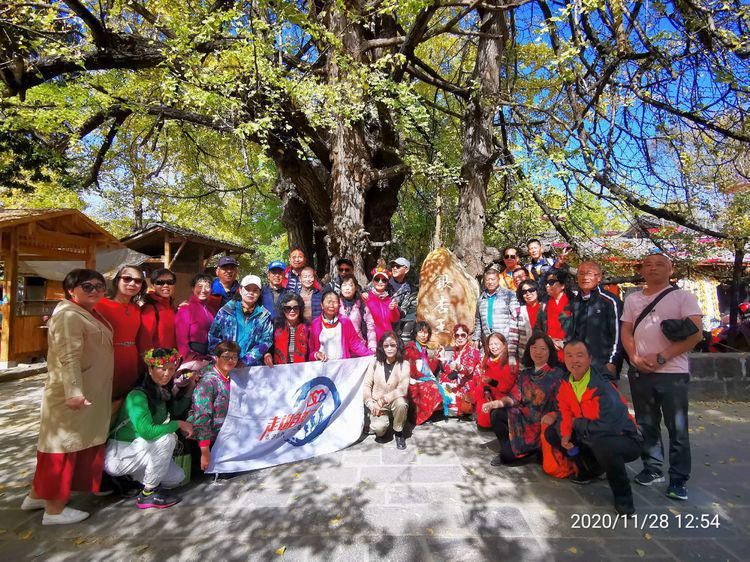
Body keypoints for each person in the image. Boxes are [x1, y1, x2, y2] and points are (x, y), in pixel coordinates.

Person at [22, 269, 113, 525]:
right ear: (71, 290)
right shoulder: (68, 315)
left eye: (99, 285)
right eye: (87, 286)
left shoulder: (86, 312)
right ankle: (54, 510)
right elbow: (68, 356)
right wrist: (74, 391)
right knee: (62, 448)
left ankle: (38, 495)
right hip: (72, 395)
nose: (94, 290)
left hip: (88, 392)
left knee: (65, 445)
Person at [621, 253, 703, 501]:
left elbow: (696, 334)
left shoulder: (682, 297)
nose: (653, 268)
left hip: (672, 373)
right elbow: (626, 330)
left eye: (659, 264)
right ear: (641, 271)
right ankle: (653, 468)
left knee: (676, 427)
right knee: (646, 423)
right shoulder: (633, 299)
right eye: (647, 265)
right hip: (641, 371)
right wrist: (634, 357)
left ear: (670, 269)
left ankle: (678, 479)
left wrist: (663, 357)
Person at [545, 340, 642, 515]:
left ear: (590, 359)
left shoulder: (603, 387)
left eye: (580, 355)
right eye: (569, 355)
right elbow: (564, 412)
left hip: (623, 437)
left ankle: (624, 499)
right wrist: (566, 434)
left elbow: (609, 426)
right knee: (553, 432)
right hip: (590, 432)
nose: (574, 360)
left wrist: (577, 424)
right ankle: (588, 470)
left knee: (604, 445)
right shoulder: (566, 382)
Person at [105, 348, 192, 509]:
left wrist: (191, 386)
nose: (167, 374)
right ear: (150, 369)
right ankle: (147, 494)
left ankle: (132, 480)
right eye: (162, 369)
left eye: (171, 369)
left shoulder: (160, 391)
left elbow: (175, 411)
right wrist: (178, 424)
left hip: (138, 450)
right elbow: (147, 431)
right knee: (167, 439)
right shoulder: (137, 395)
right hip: (120, 454)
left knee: (177, 478)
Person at [488, 332, 564, 466]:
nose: (538, 352)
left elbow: (562, 406)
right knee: (496, 414)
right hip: (523, 420)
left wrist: (554, 417)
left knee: (506, 457)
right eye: (534, 347)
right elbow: (514, 397)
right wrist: (497, 403)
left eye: (543, 348)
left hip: (542, 424)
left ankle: (530, 452)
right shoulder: (525, 374)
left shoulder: (557, 375)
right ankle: (510, 448)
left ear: (549, 351)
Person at [95, 265, 147, 402]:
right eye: (127, 278)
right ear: (117, 281)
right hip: (108, 359)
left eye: (137, 281)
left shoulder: (136, 308)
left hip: (131, 359)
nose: (132, 283)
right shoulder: (100, 305)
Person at [188, 341, 240, 471]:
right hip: (205, 439)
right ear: (217, 358)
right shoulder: (208, 381)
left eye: (234, 357)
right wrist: (205, 451)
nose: (230, 360)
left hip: (224, 435)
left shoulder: (232, 377)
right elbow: (202, 416)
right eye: (226, 357)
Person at [570, 261, 623, 381]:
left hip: (603, 366)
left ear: (598, 277)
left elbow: (618, 335)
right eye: (581, 274)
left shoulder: (609, 301)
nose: (584, 277)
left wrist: (612, 362)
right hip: (578, 366)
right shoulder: (574, 302)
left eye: (589, 274)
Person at [208, 274, 273, 367]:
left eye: (255, 290)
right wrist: (225, 356)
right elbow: (213, 335)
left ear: (259, 293)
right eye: (247, 289)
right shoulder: (226, 311)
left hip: (251, 368)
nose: (251, 293)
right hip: (224, 365)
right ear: (240, 290)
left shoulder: (264, 315)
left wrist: (246, 360)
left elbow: (266, 341)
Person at [363, 332, 410, 450]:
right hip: (377, 404)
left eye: (392, 345)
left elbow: (403, 389)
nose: (389, 348)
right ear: (382, 347)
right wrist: (371, 403)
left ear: (398, 346)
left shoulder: (404, 364)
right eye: (386, 346)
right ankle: (383, 422)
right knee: (379, 430)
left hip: (393, 401)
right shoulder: (374, 362)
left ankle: (398, 431)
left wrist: (384, 400)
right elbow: (367, 385)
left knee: (402, 403)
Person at [472, 265, 520, 369]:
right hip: (489, 341)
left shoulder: (509, 295)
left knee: (506, 369)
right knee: (491, 370)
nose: (490, 282)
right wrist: (476, 338)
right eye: (487, 280)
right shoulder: (481, 299)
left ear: (498, 280)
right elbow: (478, 321)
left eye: (493, 279)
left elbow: (516, 316)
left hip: (505, 339)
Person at [309, 289, 373, 361]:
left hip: (342, 366)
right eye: (328, 302)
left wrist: (371, 355)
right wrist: (316, 355)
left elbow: (355, 344)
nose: (331, 305)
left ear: (339, 305)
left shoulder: (345, 321)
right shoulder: (315, 324)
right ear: (322, 305)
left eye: (334, 302)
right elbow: (311, 351)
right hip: (323, 367)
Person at [404, 321, 445, 424]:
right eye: (420, 332)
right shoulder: (410, 348)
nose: (423, 335)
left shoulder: (423, 348)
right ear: (415, 333)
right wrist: (427, 379)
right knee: (432, 387)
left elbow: (427, 370)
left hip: (420, 379)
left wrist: (436, 358)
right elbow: (413, 371)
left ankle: (429, 414)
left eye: (426, 332)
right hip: (411, 381)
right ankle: (419, 417)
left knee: (439, 386)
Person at [474, 333, 516, 429]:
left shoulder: (510, 361)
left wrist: (492, 382)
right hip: (492, 392)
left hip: (505, 395)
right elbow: (484, 380)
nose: (493, 347)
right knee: (480, 392)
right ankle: (485, 423)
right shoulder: (488, 359)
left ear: (504, 344)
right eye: (491, 344)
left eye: (496, 344)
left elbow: (507, 386)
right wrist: (487, 391)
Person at [440, 323, 481, 417]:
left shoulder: (473, 351)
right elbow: (450, 371)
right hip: (457, 381)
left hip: (469, 383)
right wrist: (443, 358)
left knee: (446, 389)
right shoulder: (456, 351)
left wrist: (460, 367)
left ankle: (458, 407)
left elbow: (469, 371)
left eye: (463, 335)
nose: (460, 338)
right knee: (440, 384)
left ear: (467, 336)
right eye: (457, 335)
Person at [175, 273, 215, 364]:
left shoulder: (211, 310)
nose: (203, 290)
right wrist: (189, 357)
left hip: (209, 356)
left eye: (207, 286)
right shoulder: (185, 309)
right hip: (193, 358)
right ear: (193, 288)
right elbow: (181, 340)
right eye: (200, 286)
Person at [536, 270, 574, 363]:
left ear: (562, 285)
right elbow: (538, 328)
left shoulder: (573, 303)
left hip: (570, 351)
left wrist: (565, 343)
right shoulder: (544, 305)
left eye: (552, 282)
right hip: (549, 350)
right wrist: (548, 339)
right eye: (547, 283)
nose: (547, 286)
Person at [264, 293, 311, 365]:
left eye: (296, 308)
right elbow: (268, 345)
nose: (292, 311)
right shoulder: (275, 325)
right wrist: (267, 354)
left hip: (302, 370)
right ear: (283, 310)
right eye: (288, 308)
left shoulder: (307, 327)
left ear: (300, 309)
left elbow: (312, 349)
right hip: (279, 369)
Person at [138, 268, 177, 351]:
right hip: (158, 361)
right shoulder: (150, 309)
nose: (166, 285)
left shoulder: (172, 307)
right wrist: (156, 363)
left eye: (170, 282)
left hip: (173, 360)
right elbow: (144, 343)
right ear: (152, 285)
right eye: (160, 283)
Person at [339, 277, 376, 352]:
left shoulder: (362, 305)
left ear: (355, 288)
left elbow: (370, 326)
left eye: (350, 285)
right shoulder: (336, 304)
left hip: (358, 345)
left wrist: (372, 346)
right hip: (339, 345)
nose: (347, 288)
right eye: (344, 285)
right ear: (340, 288)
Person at [365, 267, 401, 343]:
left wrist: (393, 310)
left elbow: (395, 319)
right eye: (377, 279)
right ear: (373, 281)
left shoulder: (389, 300)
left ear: (387, 283)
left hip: (388, 339)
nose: (380, 282)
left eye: (383, 280)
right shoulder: (366, 298)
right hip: (373, 340)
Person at [515, 280, 541, 359]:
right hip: (524, 356)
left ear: (537, 291)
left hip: (545, 355)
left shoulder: (546, 309)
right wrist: (512, 358)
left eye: (531, 290)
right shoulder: (517, 312)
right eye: (524, 292)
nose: (528, 293)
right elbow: (513, 337)